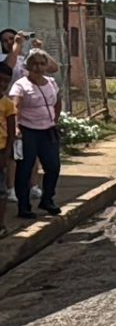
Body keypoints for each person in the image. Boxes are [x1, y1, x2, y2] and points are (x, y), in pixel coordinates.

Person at [9, 49, 62, 219]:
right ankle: (24, 206)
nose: (38, 67)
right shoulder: (21, 85)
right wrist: (16, 127)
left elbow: (57, 102)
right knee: (25, 169)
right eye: (34, 64)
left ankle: (47, 200)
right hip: (28, 130)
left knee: (53, 166)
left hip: (47, 130)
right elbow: (15, 107)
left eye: (41, 63)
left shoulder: (51, 82)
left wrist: (55, 120)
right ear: (28, 66)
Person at [0, 65, 14, 234]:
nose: (2, 84)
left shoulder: (8, 104)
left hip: (1, 151)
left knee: (1, 191)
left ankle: (1, 225)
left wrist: (6, 154)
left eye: (6, 81)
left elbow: (11, 133)